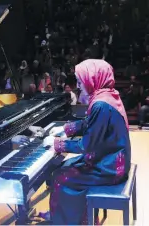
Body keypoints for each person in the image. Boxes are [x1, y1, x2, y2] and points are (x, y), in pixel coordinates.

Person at [38, 59, 131, 225]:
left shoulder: (101, 105)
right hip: (112, 158)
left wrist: (57, 144)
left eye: (80, 81)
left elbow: (87, 146)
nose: (78, 85)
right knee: (63, 167)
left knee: (60, 176)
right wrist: (66, 130)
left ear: (92, 78)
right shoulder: (107, 95)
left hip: (109, 167)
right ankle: (69, 215)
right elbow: (90, 123)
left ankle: (68, 221)